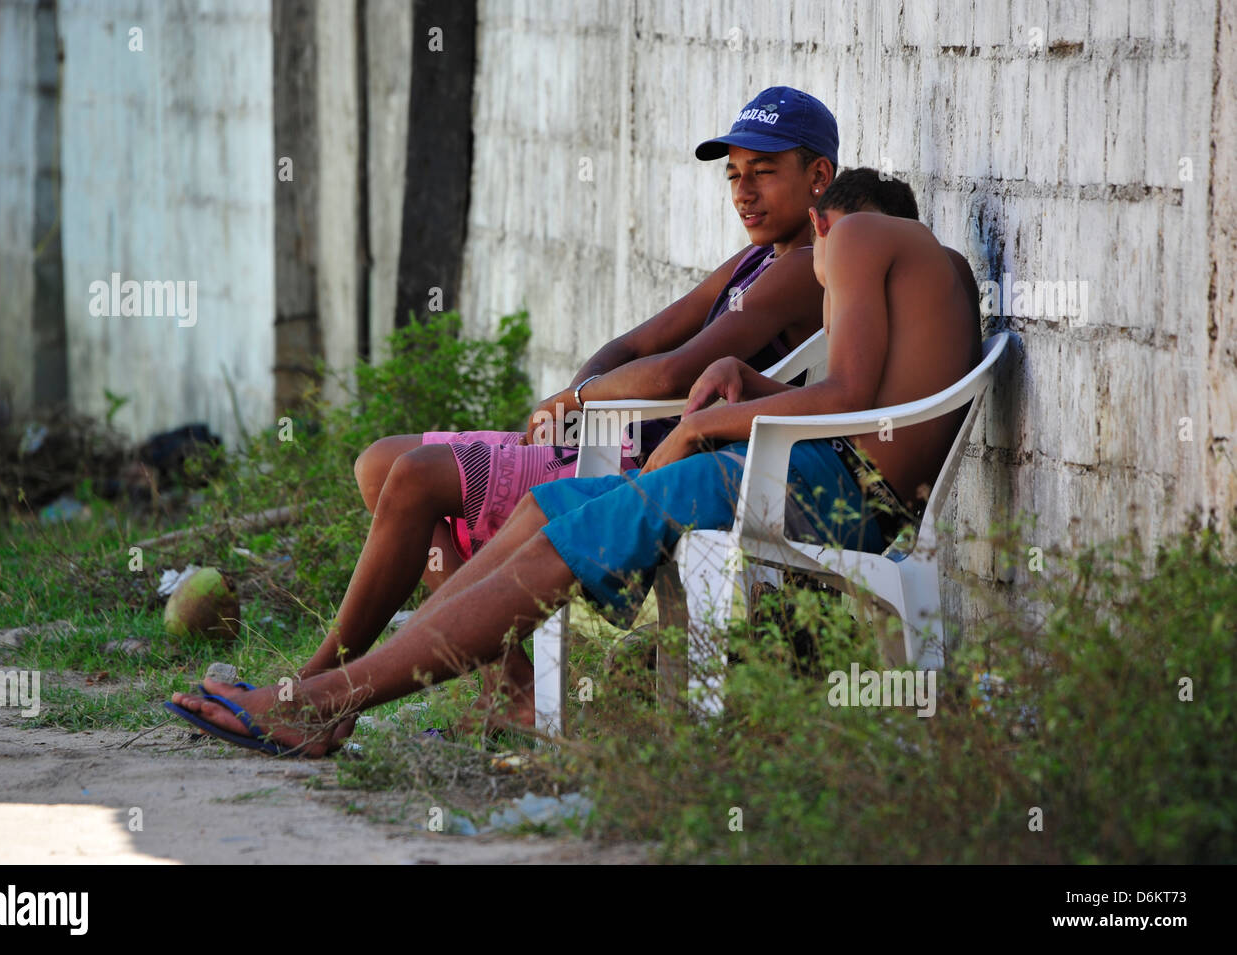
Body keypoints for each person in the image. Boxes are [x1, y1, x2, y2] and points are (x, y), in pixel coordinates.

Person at [165, 169, 983, 756]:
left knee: (571, 537)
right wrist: (755, 380)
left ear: (822, 209)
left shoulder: (848, 237)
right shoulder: (930, 264)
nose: (819, 280)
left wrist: (708, 426)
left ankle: (323, 701)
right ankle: (329, 701)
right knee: (547, 513)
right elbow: (874, 399)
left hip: (830, 488)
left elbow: (844, 397)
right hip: (838, 482)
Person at [292, 87, 841, 712]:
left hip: (651, 463)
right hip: (612, 438)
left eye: (764, 173)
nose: (744, 192)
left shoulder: (805, 266)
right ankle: (509, 693)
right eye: (734, 175)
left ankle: (318, 684)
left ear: (818, 176)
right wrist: (581, 403)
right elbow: (637, 343)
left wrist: (581, 398)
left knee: (414, 478)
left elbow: (672, 375)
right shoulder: (751, 261)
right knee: (380, 467)